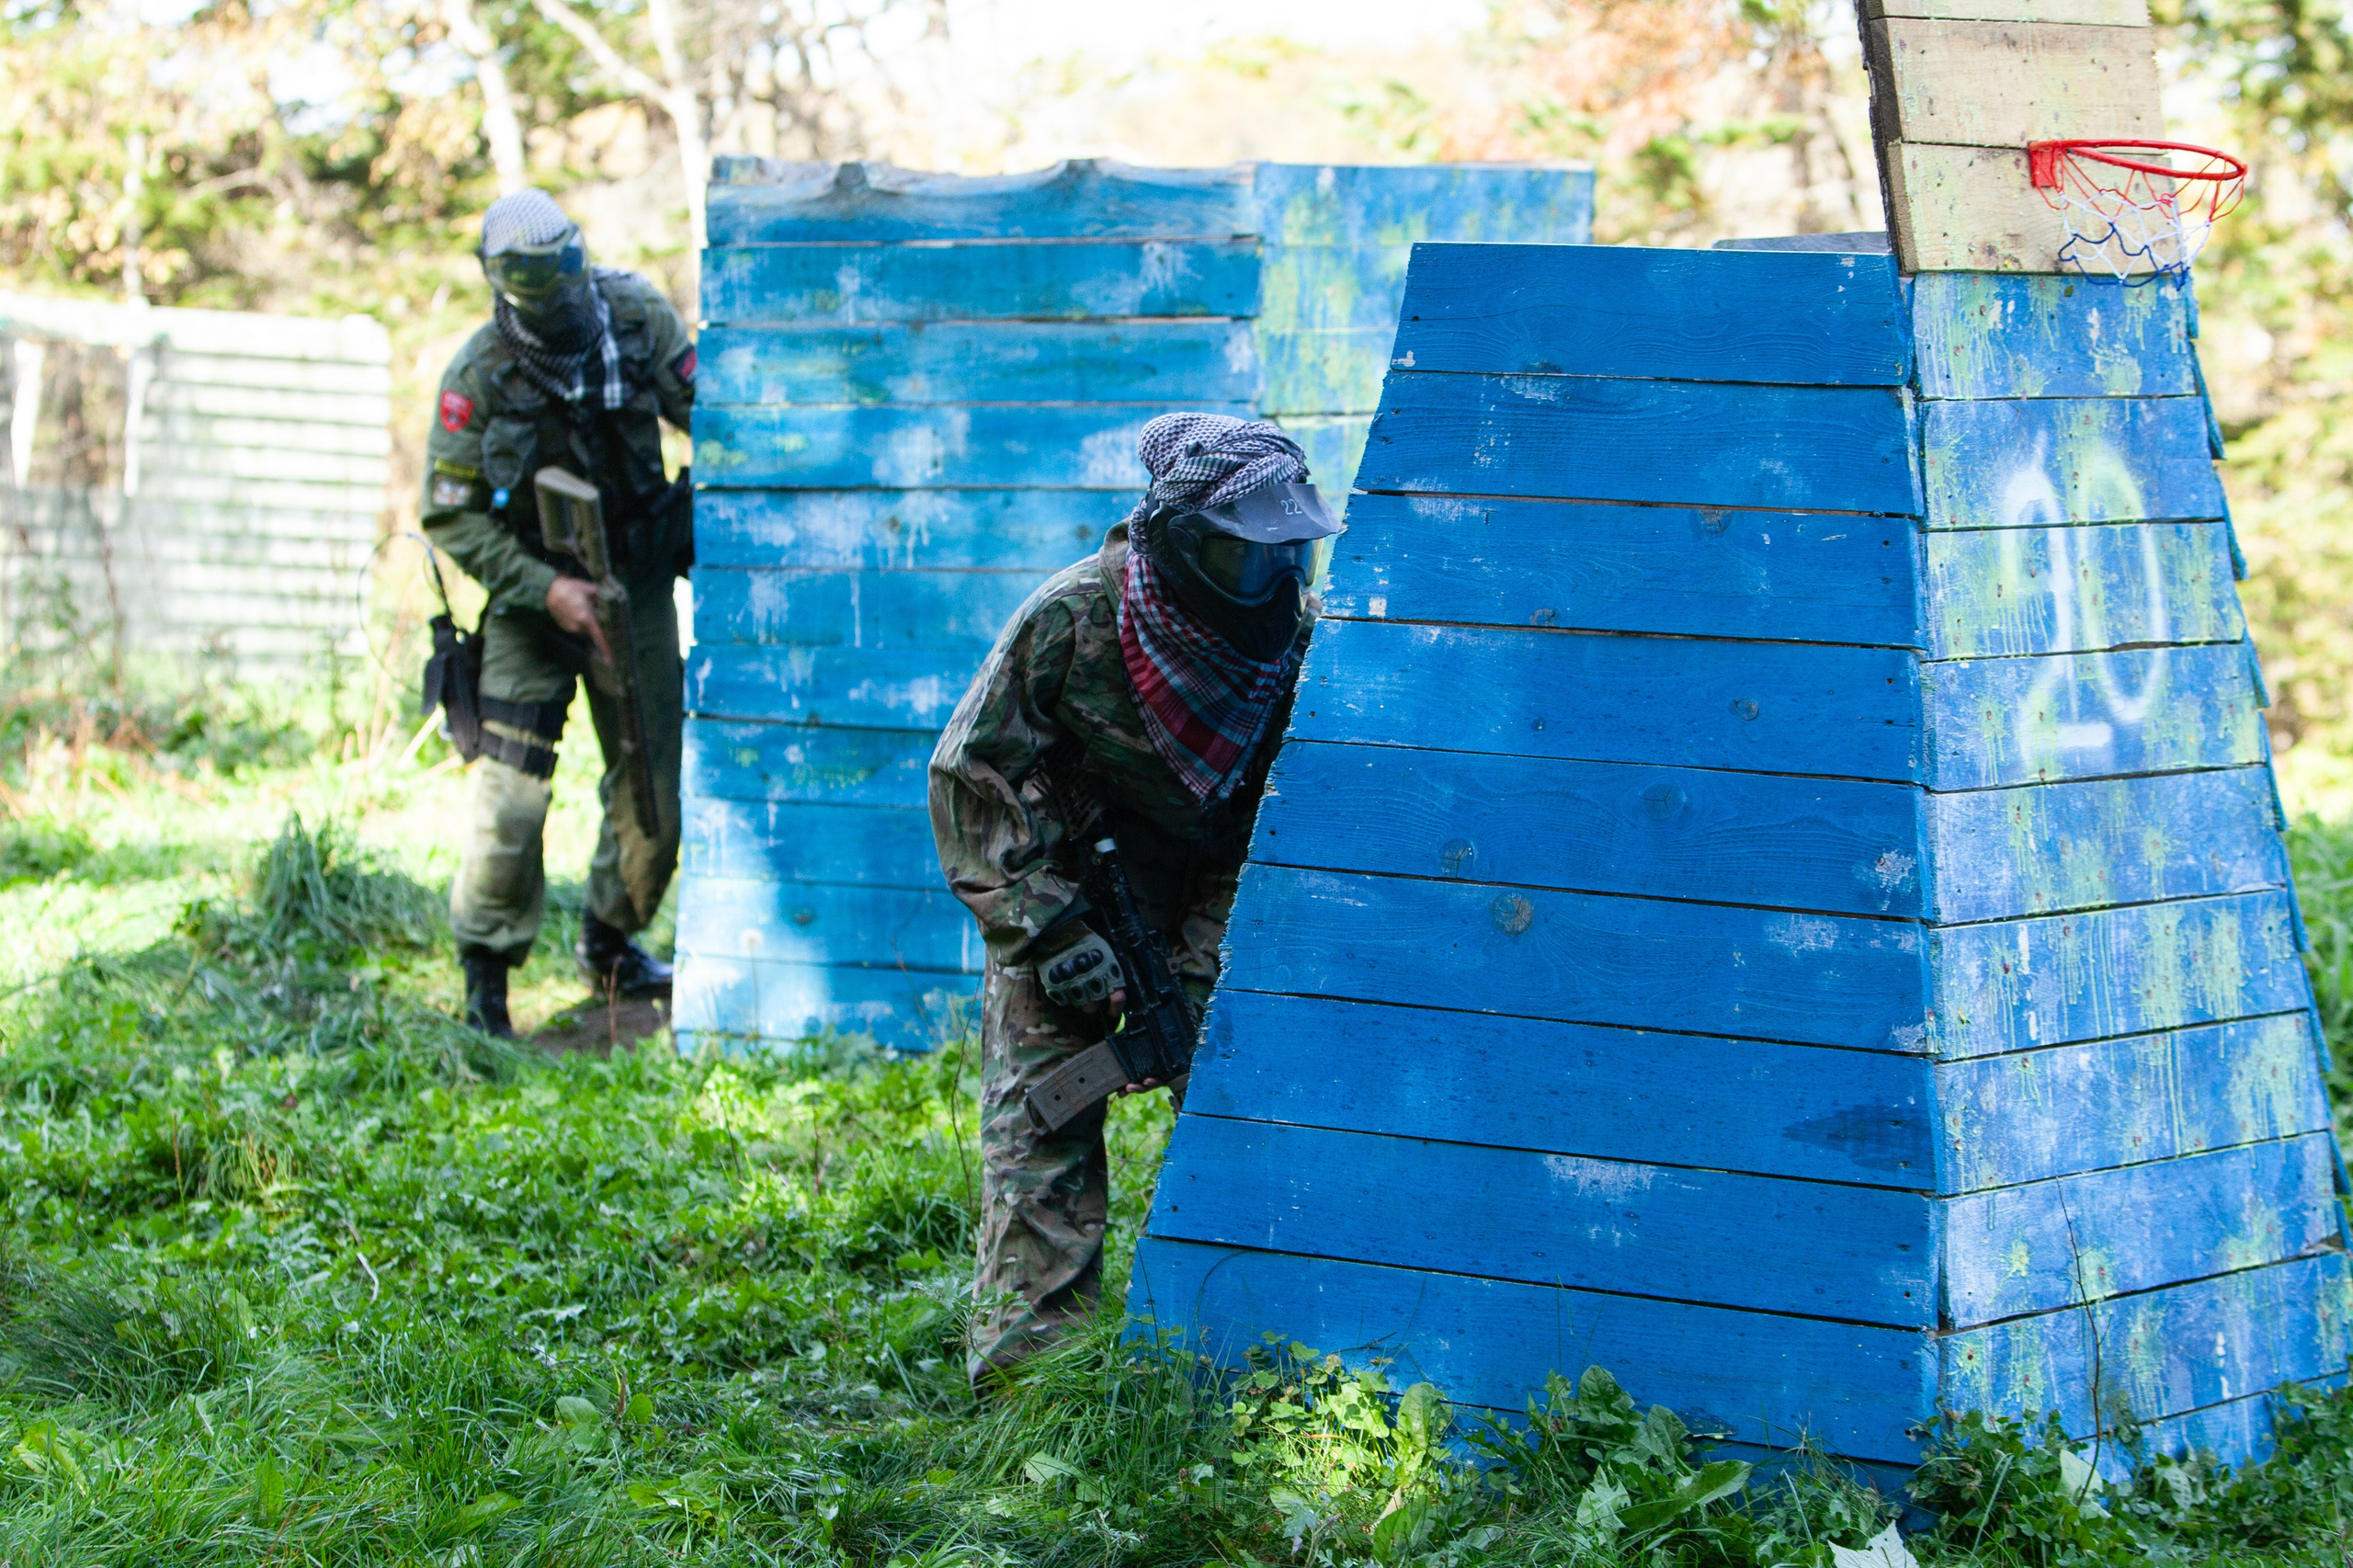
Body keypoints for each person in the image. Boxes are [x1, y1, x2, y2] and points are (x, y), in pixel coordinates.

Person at [928, 413, 1343, 1383]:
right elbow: (969, 774)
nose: (1271, 584)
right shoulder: (1078, 615)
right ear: (1176, 538)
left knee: (1246, 1124)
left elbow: (1278, 814)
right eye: (1246, 560)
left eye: (1288, 556)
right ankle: (1032, 1393)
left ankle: (1262, 1366)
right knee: (1043, 1139)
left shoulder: (1294, 648)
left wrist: (1203, 964)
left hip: (1214, 908)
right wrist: (1050, 927)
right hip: (1065, 897)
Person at [420, 187, 698, 1037]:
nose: (564, 299)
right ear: (506, 289)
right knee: (511, 791)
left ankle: (611, 939)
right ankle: (487, 976)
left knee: (651, 782)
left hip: (634, 593)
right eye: (539, 288)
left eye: (568, 275)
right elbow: (449, 511)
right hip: (527, 607)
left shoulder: (639, 319)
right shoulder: (478, 374)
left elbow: (721, 421)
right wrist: (545, 589)